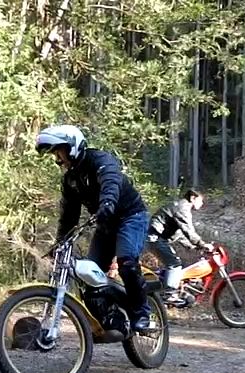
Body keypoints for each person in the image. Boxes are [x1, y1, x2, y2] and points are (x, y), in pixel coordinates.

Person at [35, 125, 152, 332]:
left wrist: (107, 203)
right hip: (105, 224)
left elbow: (111, 182)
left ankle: (142, 313)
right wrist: (60, 243)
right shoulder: (70, 180)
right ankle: (114, 320)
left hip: (130, 216)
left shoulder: (100, 160)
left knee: (126, 263)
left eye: (59, 153)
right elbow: (69, 216)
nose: (58, 159)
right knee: (90, 278)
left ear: (71, 147)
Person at [146, 189, 213, 306]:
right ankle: (170, 294)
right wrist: (202, 244)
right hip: (155, 238)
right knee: (174, 265)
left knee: (175, 265)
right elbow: (188, 231)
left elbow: (180, 235)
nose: (202, 204)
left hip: (157, 238)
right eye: (200, 200)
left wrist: (195, 247)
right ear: (192, 198)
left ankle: (165, 290)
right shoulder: (182, 208)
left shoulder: (180, 207)